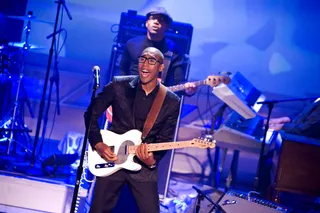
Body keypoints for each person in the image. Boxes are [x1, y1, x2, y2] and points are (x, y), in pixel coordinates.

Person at [86, 47, 181, 213]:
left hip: (142, 166)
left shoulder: (171, 101)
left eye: (152, 60)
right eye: (142, 59)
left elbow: (165, 139)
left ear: (161, 67)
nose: (145, 64)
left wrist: (152, 160)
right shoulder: (119, 85)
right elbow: (91, 114)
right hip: (111, 158)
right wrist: (99, 144)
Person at [118, 7, 196, 96]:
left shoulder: (173, 50)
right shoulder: (132, 44)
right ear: (147, 23)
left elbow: (178, 80)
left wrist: (188, 89)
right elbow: (122, 70)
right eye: (153, 18)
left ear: (166, 27)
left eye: (161, 20)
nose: (156, 22)